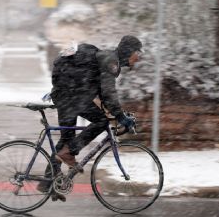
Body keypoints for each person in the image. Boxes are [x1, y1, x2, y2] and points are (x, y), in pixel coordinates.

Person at [38, 35, 143, 201]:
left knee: (67, 141)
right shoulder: (111, 62)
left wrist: (116, 114)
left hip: (67, 92)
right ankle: (70, 153)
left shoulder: (108, 59)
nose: (139, 58)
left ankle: (47, 182)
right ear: (129, 51)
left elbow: (101, 91)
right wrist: (120, 116)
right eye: (138, 53)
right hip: (70, 94)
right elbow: (108, 93)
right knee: (100, 122)